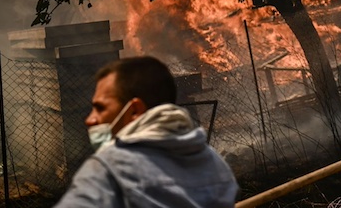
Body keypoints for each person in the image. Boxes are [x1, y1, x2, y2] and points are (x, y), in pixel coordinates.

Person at [55, 56, 239, 208]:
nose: (90, 119)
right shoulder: (213, 163)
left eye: (100, 108)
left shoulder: (109, 170)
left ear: (134, 110)